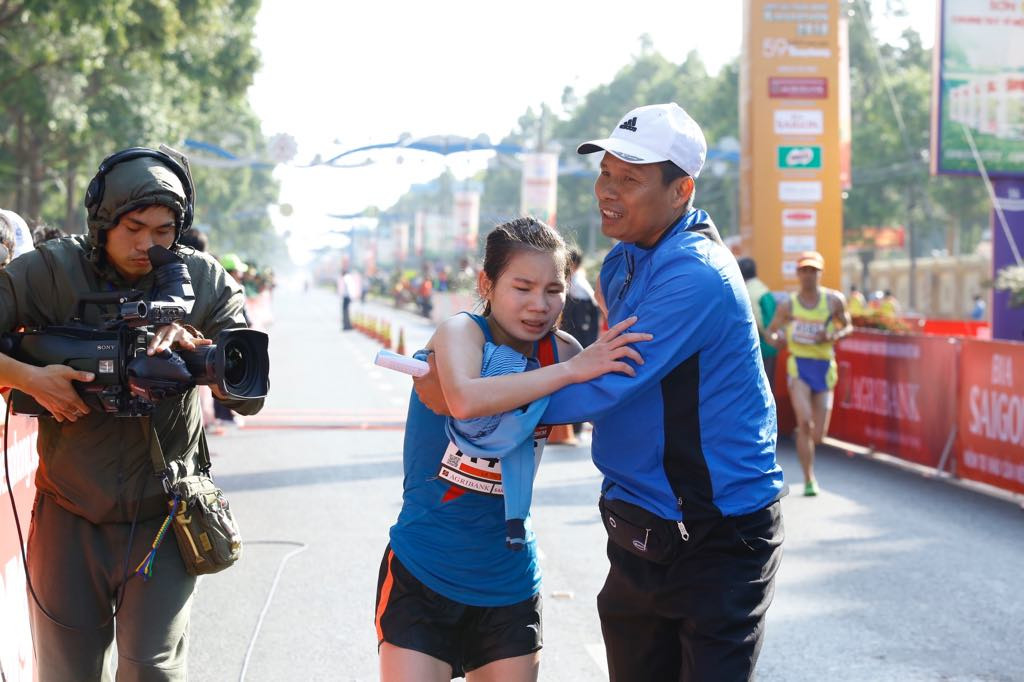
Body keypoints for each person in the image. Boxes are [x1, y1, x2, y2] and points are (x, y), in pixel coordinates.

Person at [416, 103, 785, 681]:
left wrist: (475, 401)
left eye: (630, 179)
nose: (607, 191)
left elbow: (604, 385)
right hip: (640, 523)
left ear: (680, 189)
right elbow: (585, 364)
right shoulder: (622, 264)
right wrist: (475, 375)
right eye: (606, 173)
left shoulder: (695, 274)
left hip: (716, 530)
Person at [0, 146, 264, 681]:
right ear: (101, 221)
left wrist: (200, 351)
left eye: (164, 230)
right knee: (66, 673)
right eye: (133, 227)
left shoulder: (205, 280)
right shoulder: (51, 272)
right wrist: (30, 378)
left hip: (165, 515)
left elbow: (250, 394)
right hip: (68, 512)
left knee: (153, 670)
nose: (148, 244)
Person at [377, 217, 650, 682]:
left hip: (508, 584)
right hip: (423, 573)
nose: (539, 305)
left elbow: (620, 411)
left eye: (553, 290)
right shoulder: (461, 332)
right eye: (522, 287)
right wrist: (571, 372)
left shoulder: (562, 350)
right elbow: (464, 399)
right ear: (487, 283)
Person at [766, 250, 852, 496]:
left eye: (813, 271)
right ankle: (809, 478)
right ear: (798, 274)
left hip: (824, 367)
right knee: (804, 422)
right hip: (799, 366)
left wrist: (833, 335)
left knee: (818, 434)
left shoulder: (833, 301)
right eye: (804, 270)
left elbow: (847, 325)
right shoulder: (788, 304)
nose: (808, 275)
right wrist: (778, 341)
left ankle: (804, 438)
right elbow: (771, 331)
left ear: (820, 273)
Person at [559, 248, 600, 440]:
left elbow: (590, 318)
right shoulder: (572, 282)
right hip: (573, 338)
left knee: (576, 381)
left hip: (580, 340)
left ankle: (575, 428)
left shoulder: (579, 285)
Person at [738, 257, 779, 391]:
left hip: (759, 347)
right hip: (770, 347)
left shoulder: (745, 291)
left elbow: (760, 322)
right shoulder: (763, 289)